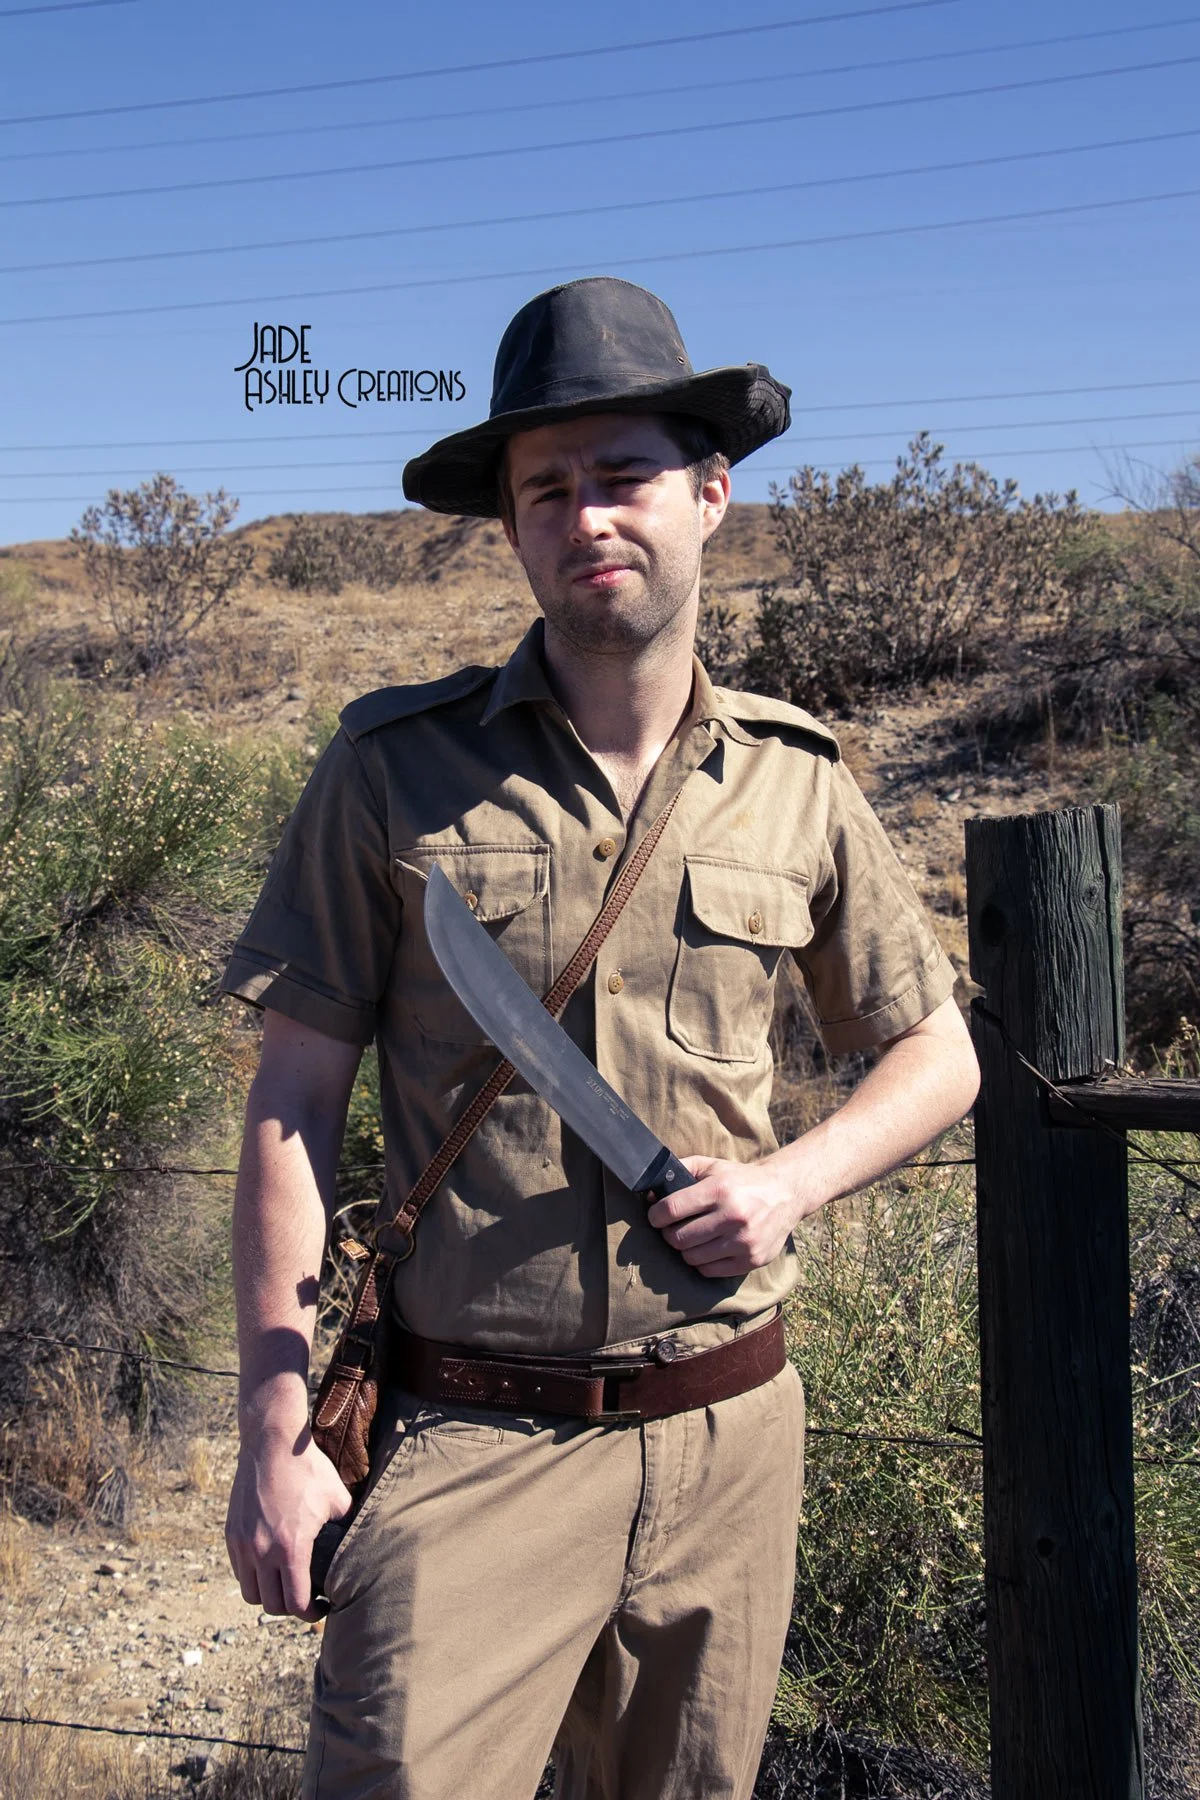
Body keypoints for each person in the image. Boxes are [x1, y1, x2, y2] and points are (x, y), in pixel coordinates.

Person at [219, 275, 981, 1800]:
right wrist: (273, 1430)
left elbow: (938, 1054)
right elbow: (291, 1105)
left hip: (730, 1437)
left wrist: (791, 1185)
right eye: (546, 489)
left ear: (710, 496)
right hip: (470, 1439)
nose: (589, 519)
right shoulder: (390, 772)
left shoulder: (799, 781)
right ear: (512, 526)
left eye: (624, 477)